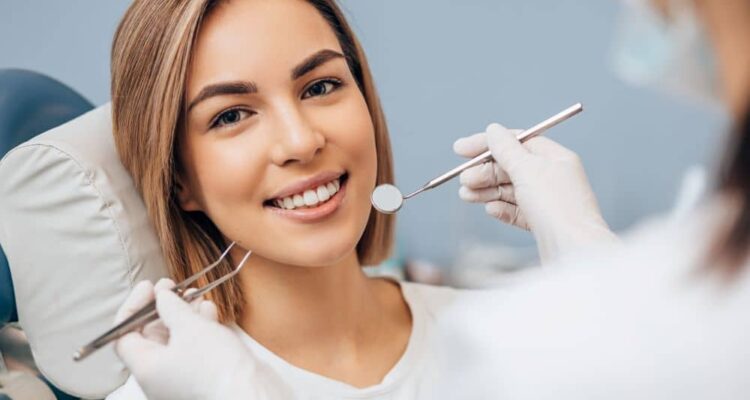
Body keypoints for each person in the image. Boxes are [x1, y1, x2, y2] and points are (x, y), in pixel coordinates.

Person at [114, 0, 750, 398]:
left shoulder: (512, 335)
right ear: (177, 179)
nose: (301, 140)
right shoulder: (170, 387)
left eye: (322, 85)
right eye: (231, 116)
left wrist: (592, 266)